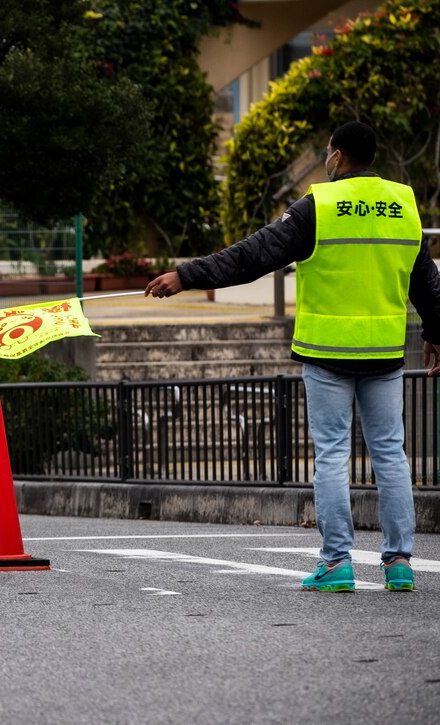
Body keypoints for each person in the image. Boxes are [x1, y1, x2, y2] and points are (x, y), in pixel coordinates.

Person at [146, 121, 440, 593]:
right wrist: (437, 331)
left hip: (326, 353)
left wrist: (187, 275)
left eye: (327, 151)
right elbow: (424, 278)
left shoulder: (318, 206)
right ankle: (400, 563)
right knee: (390, 453)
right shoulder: (404, 205)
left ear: (338, 156)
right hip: (385, 352)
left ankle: (336, 562)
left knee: (330, 455)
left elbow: (252, 256)